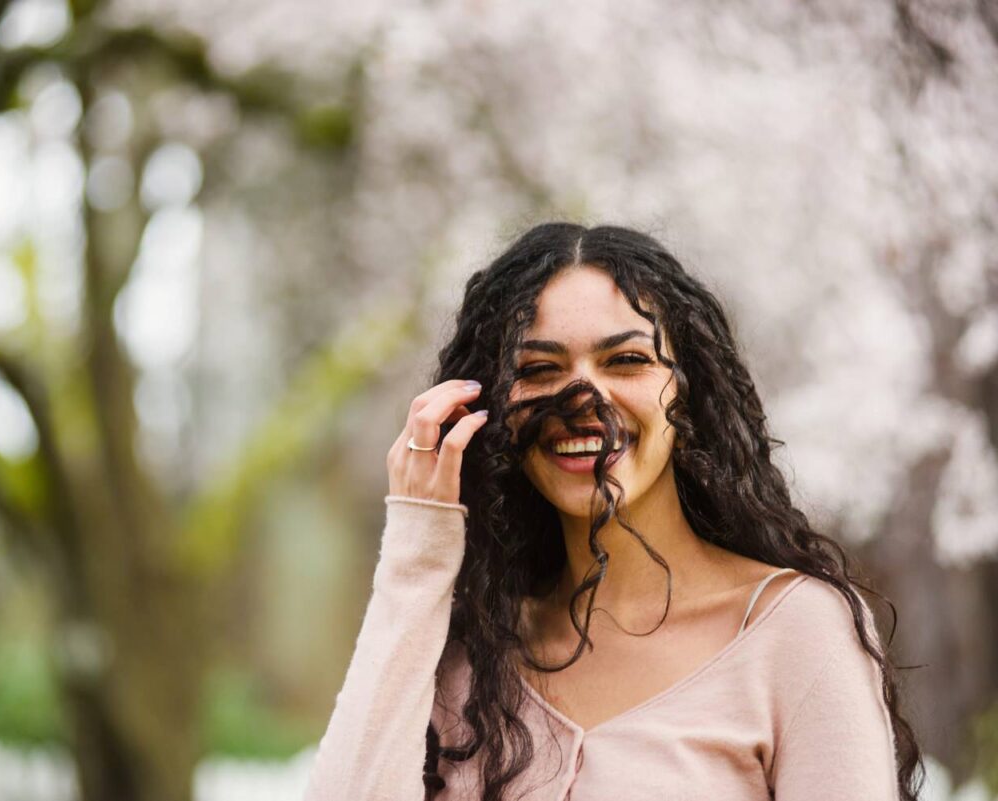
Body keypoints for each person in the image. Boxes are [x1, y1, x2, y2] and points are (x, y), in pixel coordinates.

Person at [301, 223, 923, 801]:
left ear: (688, 391)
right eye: (538, 369)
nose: (582, 400)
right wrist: (417, 553)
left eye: (626, 360)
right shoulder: (464, 658)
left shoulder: (796, 632)